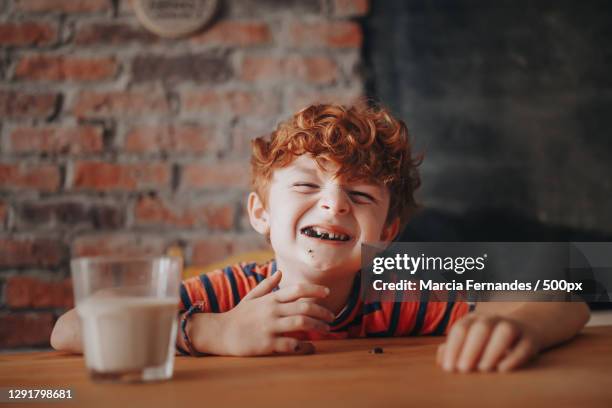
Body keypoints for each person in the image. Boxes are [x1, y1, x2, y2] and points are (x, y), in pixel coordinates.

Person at [51, 102, 589, 373]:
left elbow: (566, 296)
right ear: (261, 213)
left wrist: (515, 323)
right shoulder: (233, 295)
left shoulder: (399, 283)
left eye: (360, 196)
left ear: (388, 232)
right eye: (308, 185)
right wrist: (215, 333)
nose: (333, 203)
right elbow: (69, 328)